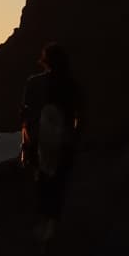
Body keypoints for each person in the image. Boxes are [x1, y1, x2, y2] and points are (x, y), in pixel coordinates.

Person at [20, 42, 82, 243]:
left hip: (39, 142)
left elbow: (26, 117)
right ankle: (52, 227)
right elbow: (78, 116)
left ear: (44, 61)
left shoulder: (33, 84)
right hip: (64, 142)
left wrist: (26, 145)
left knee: (43, 182)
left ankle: (44, 227)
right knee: (59, 184)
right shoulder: (72, 85)